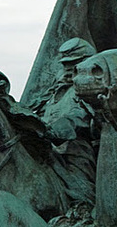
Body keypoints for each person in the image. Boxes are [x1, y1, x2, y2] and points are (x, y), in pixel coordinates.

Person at [34, 38, 97, 208]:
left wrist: (56, 130)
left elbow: (83, 115)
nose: (68, 69)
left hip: (74, 152)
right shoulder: (54, 90)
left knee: (81, 194)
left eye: (74, 64)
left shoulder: (94, 88)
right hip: (44, 149)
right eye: (66, 64)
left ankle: (82, 218)